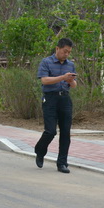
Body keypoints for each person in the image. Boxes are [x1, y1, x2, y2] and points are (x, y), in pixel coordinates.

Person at [34, 38, 77, 174]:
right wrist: (63, 77)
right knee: (50, 131)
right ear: (57, 48)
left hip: (65, 99)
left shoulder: (70, 65)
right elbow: (44, 80)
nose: (66, 54)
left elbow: (74, 85)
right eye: (65, 51)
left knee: (65, 132)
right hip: (50, 99)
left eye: (69, 52)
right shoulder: (46, 62)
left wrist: (70, 81)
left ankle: (62, 163)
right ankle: (40, 151)